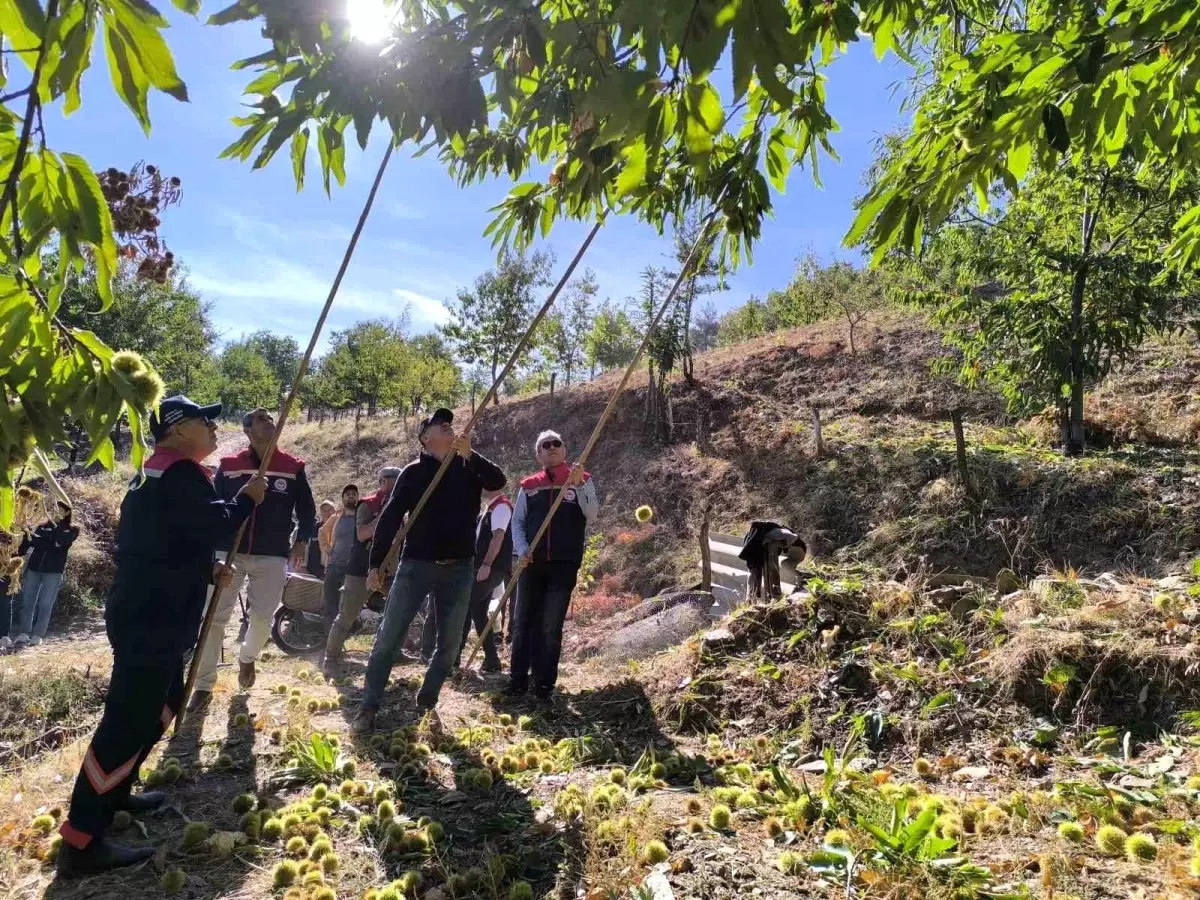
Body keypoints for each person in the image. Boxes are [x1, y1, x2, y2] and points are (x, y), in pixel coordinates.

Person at [57, 396, 266, 878]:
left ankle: (119, 787)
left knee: (166, 699)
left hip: (149, 608)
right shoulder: (179, 474)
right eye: (204, 420)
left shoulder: (157, 471)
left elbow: (166, 537)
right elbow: (214, 523)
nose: (214, 428)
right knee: (127, 721)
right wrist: (245, 501)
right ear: (176, 429)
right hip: (153, 615)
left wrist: (204, 567)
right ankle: (82, 839)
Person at [352, 408, 505, 732]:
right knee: (389, 637)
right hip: (416, 565)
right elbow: (392, 517)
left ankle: (427, 700)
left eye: (449, 422)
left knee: (450, 645)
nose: (448, 425)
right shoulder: (414, 472)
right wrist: (376, 564)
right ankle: (368, 706)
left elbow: (498, 481)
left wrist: (471, 455)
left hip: (460, 568)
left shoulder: (468, 466)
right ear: (426, 438)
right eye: (440, 424)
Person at [189, 408, 316, 710]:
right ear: (246, 430)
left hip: (272, 553)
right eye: (260, 418)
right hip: (228, 551)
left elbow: (307, 510)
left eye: (271, 418)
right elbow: (212, 506)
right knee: (214, 618)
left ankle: (247, 658)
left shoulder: (292, 466)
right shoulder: (230, 466)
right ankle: (204, 686)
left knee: (262, 616)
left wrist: (301, 541)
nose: (268, 421)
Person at [507, 429, 598, 701]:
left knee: (550, 625)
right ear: (538, 455)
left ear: (564, 449)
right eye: (545, 445)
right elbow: (518, 522)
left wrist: (580, 485)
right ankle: (518, 681)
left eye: (556, 443)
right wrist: (522, 549)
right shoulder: (529, 486)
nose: (551, 448)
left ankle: (544, 684)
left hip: (563, 564)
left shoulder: (581, 479)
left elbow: (592, 515)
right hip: (531, 563)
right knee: (522, 622)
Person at [456, 486, 512, 672]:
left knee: (464, 607)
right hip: (484, 567)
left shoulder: (501, 507)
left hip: (491, 567)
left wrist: (486, 565)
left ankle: (453, 658)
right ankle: (492, 660)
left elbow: (498, 537)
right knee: (478, 613)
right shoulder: (490, 509)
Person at [12, 500, 79, 646]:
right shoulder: (41, 527)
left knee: (45, 604)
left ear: (67, 512)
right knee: (27, 602)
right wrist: (31, 536)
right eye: (52, 509)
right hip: (34, 569)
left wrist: (51, 535)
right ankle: (24, 633)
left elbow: (61, 541)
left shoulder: (72, 529)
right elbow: (31, 544)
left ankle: (38, 635)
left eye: (58, 509)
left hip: (53, 572)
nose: (53, 512)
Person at [319, 484, 370, 672]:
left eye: (354, 494)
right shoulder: (336, 517)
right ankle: (330, 648)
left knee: (346, 608)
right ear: (343, 498)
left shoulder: (363, 516)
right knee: (330, 605)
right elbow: (321, 533)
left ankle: (339, 644)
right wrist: (326, 549)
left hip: (353, 570)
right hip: (334, 567)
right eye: (348, 494)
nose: (351, 497)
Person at [307, 500, 337, 579]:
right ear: (320, 513)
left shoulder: (340, 528)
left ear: (335, 512)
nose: (327, 513)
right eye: (324, 510)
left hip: (334, 572)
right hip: (315, 573)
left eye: (330, 509)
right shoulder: (314, 529)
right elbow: (306, 550)